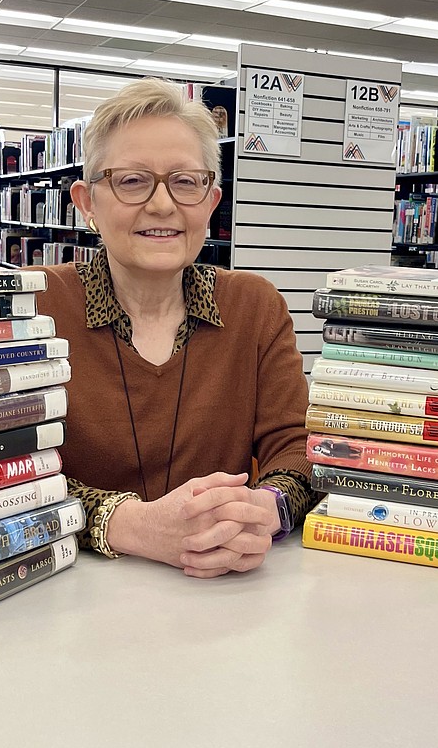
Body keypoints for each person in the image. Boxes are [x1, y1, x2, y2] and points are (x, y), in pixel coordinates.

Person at [32, 77, 317, 578]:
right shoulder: (31, 307)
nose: (163, 205)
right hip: (57, 598)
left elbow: (296, 449)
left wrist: (266, 508)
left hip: (223, 596)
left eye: (186, 181)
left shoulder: (255, 308)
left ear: (211, 201)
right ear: (86, 202)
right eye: (132, 180)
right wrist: (129, 523)